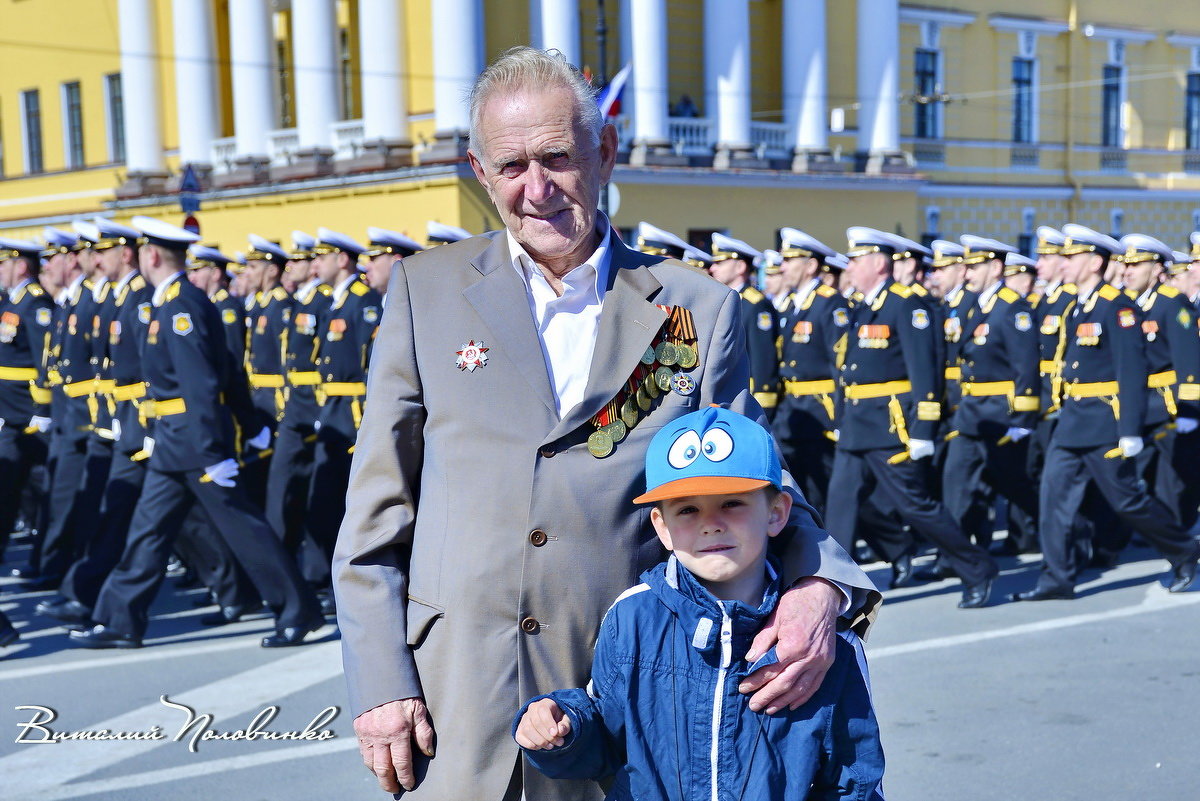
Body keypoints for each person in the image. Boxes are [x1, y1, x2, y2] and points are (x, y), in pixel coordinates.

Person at [334, 46, 878, 801]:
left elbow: (753, 469)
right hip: (453, 702)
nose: (537, 188)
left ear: (606, 152)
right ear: (478, 170)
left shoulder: (693, 311)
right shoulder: (425, 293)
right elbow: (374, 515)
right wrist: (380, 682)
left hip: (624, 708)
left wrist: (820, 583)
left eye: (557, 157)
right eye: (511, 165)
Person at [512, 406, 884, 801]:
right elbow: (606, 739)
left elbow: (853, 781)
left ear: (776, 513)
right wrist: (562, 725)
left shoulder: (824, 641)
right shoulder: (633, 616)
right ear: (661, 527)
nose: (711, 523)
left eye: (732, 503)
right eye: (687, 509)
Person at [70, 216, 323, 649]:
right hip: (175, 439)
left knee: (245, 529)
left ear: (151, 255)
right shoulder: (173, 301)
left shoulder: (180, 305)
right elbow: (225, 370)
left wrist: (214, 449)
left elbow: (203, 381)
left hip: (194, 441)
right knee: (147, 532)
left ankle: (297, 611)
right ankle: (120, 619)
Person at [1010, 224, 1200, 601]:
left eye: (1072, 256)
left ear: (1095, 262)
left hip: (1106, 422)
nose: (1064, 263)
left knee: (1128, 500)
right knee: (1053, 501)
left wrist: (1129, 429)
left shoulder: (1117, 306)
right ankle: (1056, 579)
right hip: (1073, 421)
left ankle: (1184, 551)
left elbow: (1132, 370)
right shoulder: (1076, 305)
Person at [824, 227, 998, 609]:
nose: (849, 266)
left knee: (915, 506)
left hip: (891, 427)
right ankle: (834, 590)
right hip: (857, 424)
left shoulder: (907, 305)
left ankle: (976, 566)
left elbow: (926, 371)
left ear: (878, 264)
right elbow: (851, 369)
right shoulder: (864, 305)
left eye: (856, 259)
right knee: (839, 506)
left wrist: (924, 428)